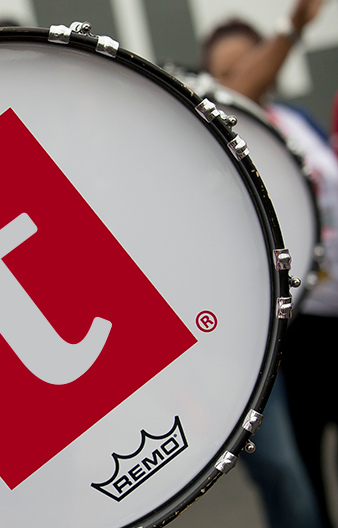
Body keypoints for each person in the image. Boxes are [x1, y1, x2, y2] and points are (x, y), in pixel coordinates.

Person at [203, 3, 338, 527]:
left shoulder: (294, 122)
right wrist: (291, 27)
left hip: (332, 316)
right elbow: (236, 97)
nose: (241, 78)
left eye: (252, 61)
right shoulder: (221, 141)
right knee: (297, 478)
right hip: (290, 334)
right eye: (227, 72)